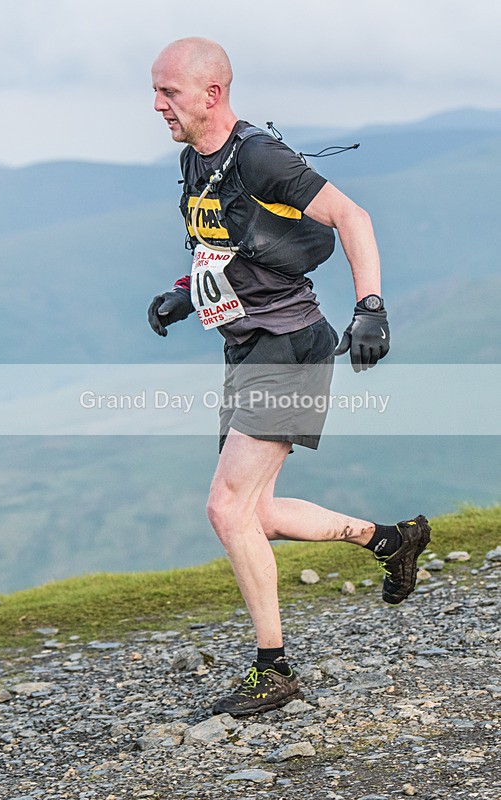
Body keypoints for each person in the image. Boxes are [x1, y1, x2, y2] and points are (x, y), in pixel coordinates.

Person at [148, 37, 430, 717]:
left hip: (287, 348)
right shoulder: (196, 158)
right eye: (155, 92)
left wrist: (369, 308)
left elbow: (350, 216)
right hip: (246, 349)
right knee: (257, 513)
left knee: (225, 509)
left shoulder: (258, 154)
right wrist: (187, 291)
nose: (158, 105)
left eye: (169, 92)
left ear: (212, 93)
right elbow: (229, 243)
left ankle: (273, 669)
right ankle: (391, 540)